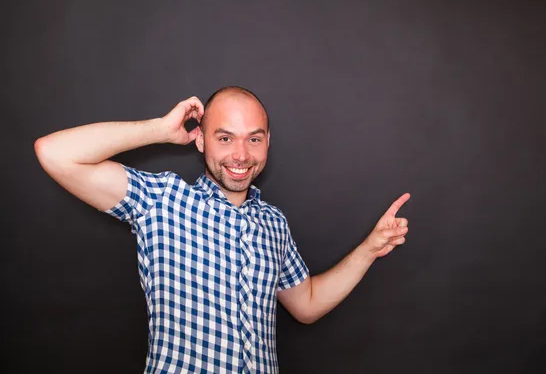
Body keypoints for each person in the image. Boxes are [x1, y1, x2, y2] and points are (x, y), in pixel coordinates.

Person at [34, 86, 410, 373]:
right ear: (199, 138)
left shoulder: (273, 223)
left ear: (267, 143)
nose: (241, 155)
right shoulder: (162, 201)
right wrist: (160, 129)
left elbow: (307, 304)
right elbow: (55, 153)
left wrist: (371, 248)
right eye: (225, 137)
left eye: (254, 139)